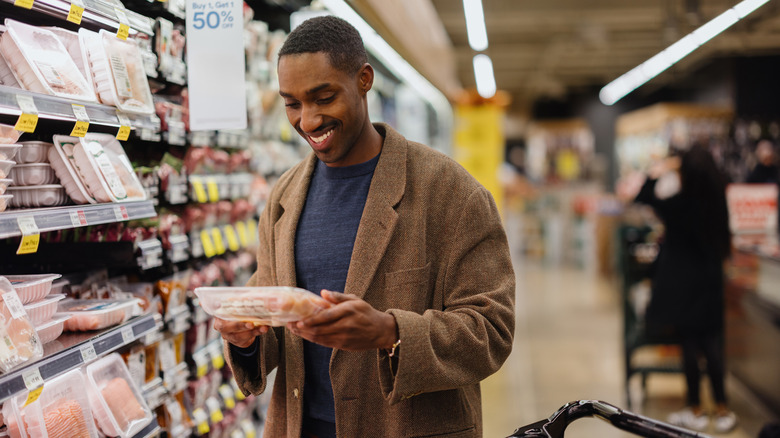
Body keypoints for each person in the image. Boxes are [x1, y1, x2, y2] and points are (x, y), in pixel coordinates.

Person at [213, 16, 516, 438]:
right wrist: (246, 338)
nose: (308, 120)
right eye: (292, 103)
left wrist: (389, 332)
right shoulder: (284, 198)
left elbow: (492, 330)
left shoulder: (450, 192)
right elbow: (274, 318)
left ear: (364, 80)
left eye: (324, 97)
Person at [634, 145, 735, 433]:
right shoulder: (718, 203)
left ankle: (696, 409)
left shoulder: (680, 204)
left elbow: (643, 197)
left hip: (684, 287)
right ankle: (723, 408)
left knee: (690, 346)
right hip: (711, 283)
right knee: (712, 345)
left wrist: (659, 172)